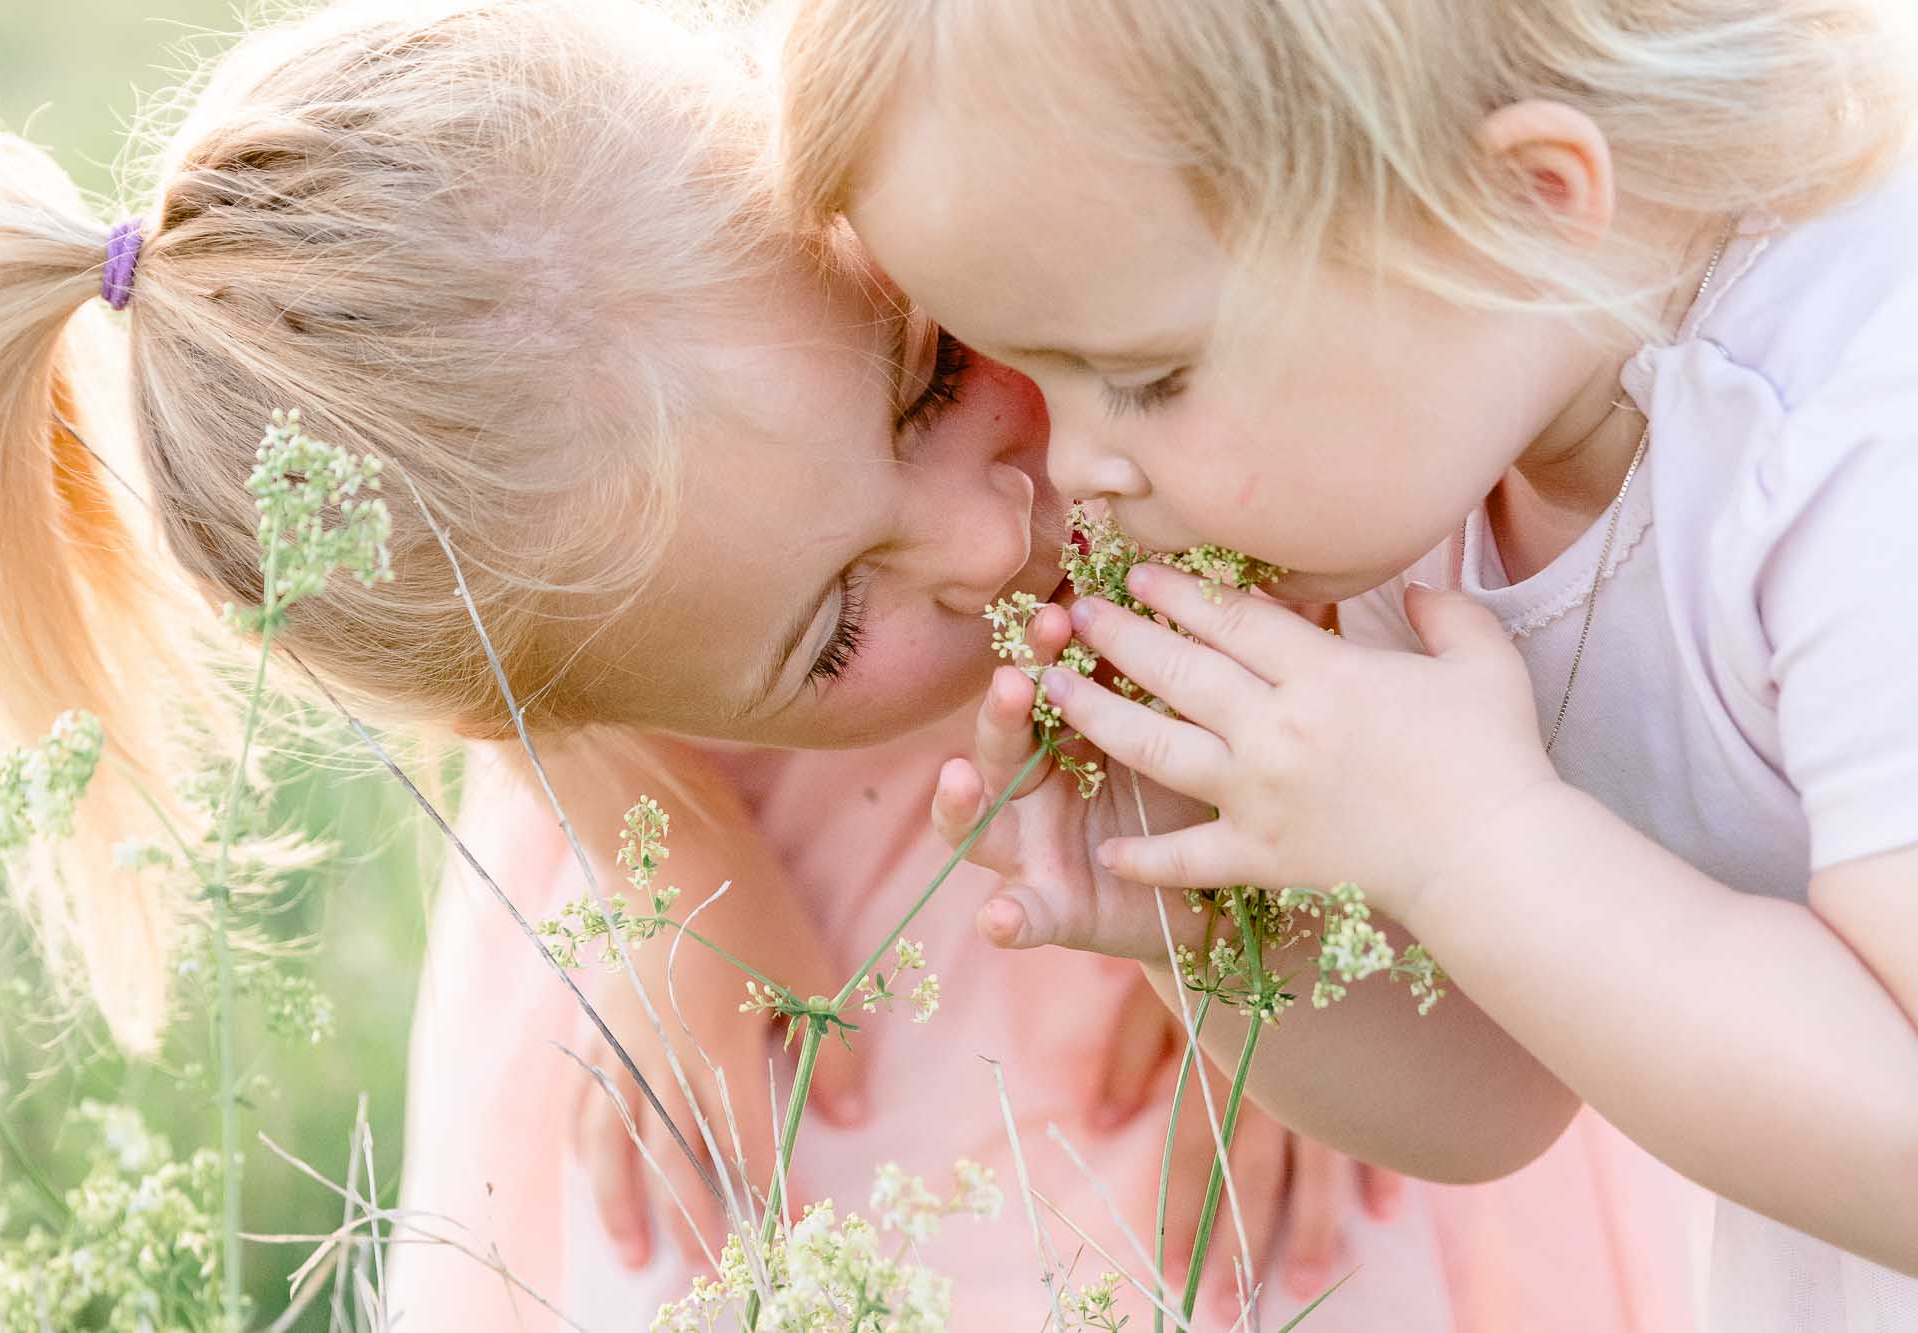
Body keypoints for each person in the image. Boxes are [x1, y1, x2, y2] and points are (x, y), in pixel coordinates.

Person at [0, 0, 1692, 1326]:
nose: (999, 533)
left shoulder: (1015, 160)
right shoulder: (590, 675)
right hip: (786, 963)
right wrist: (640, 808)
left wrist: (1265, 963)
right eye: (837, 621)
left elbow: (1496, 1088)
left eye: (928, 373)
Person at [779, 0, 1918, 1327]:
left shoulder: (1855, 437)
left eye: (1143, 377)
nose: (1078, 468)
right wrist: (1209, 907)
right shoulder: (1442, 439)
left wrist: (1472, 842)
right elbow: (1494, 1095)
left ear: (1525, 209)